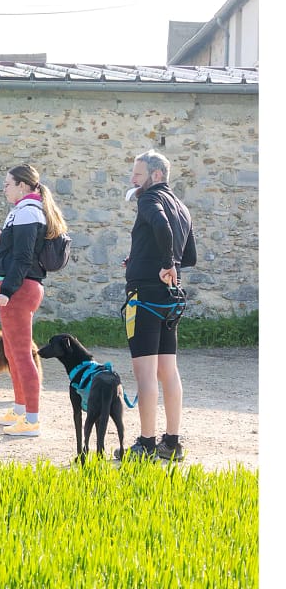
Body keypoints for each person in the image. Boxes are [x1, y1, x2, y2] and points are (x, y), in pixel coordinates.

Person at [116, 150, 196, 461]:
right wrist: (150, 259)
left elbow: (161, 226)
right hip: (170, 298)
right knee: (168, 371)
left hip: (145, 296)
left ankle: (146, 444)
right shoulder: (182, 207)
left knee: (146, 373)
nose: (132, 179)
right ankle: (172, 443)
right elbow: (189, 257)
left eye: (137, 174)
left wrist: (164, 262)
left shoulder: (149, 198)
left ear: (156, 175)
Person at [0, 163, 68, 436]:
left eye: (7, 184)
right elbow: (22, 251)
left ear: (22, 186)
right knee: (12, 352)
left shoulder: (27, 212)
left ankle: (31, 420)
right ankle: (21, 409)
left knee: (20, 354)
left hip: (19, 289)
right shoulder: (24, 211)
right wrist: (2, 239)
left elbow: (23, 259)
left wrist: (7, 291)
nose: (4, 189)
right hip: (19, 287)